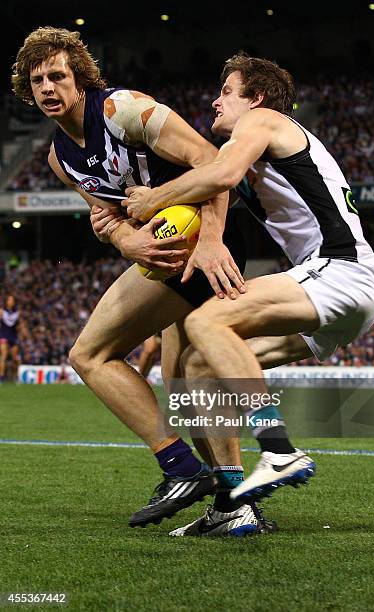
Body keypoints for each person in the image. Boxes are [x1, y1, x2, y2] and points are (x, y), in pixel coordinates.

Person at [12, 29, 274, 536]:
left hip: (203, 243)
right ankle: (235, 502)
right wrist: (125, 241)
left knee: (89, 354)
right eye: (36, 78)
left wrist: (212, 241)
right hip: (163, 250)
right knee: (183, 391)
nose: (46, 86)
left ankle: (179, 469)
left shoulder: (125, 111)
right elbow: (108, 218)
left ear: (81, 78)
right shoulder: (57, 157)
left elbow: (214, 166)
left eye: (58, 75)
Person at [122, 52, 374, 510]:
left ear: (258, 98)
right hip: (341, 291)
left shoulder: (264, 120)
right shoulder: (251, 148)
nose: (215, 101)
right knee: (200, 369)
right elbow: (213, 184)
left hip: (339, 269)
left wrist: (154, 197)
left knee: (206, 324)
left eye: (227, 92)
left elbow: (220, 176)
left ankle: (278, 449)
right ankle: (232, 502)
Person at [0, 295, 21, 382]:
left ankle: (15, 376)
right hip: (4, 335)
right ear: (6, 301)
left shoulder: (17, 313)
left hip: (13, 336)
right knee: (3, 356)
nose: (11, 301)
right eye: (9, 300)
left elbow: (18, 325)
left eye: (12, 300)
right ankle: (1, 377)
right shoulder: (1, 311)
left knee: (15, 358)